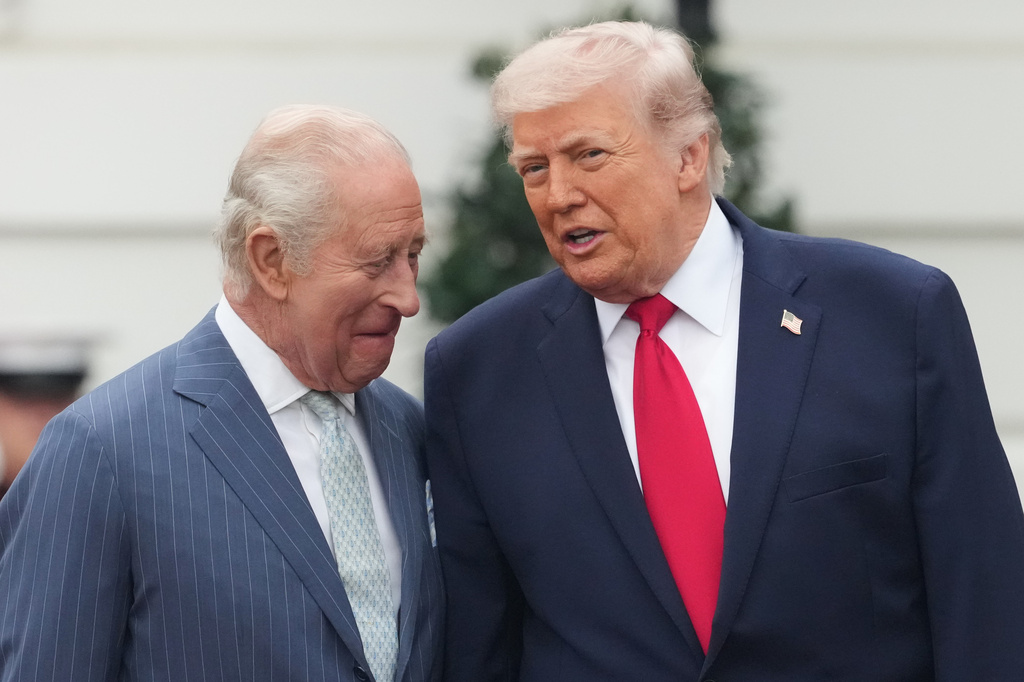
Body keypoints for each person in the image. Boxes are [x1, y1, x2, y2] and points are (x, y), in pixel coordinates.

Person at [423, 21, 1024, 681]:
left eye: (588, 155)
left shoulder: (892, 314)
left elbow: (986, 600)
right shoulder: (477, 370)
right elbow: (479, 647)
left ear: (688, 156)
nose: (559, 195)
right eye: (534, 168)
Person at [0, 105, 443, 682]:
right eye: (377, 261)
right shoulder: (103, 451)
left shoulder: (408, 426)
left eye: (412, 256)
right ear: (271, 259)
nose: (408, 297)